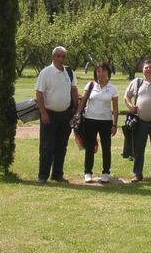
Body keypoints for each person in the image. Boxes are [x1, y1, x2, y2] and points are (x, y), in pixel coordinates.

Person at [35, 46, 78, 184]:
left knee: (61, 146)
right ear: (53, 57)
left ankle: (57, 175)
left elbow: (74, 90)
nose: (60, 59)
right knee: (47, 146)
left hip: (65, 116)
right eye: (58, 56)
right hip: (49, 115)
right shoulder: (45, 73)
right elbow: (39, 93)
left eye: (63, 56)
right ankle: (43, 176)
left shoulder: (69, 73)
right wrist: (43, 113)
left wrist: (75, 110)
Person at [75, 62, 119, 184]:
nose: (101, 73)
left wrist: (115, 125)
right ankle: (88, 172)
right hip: (90, 120)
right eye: (98, 71)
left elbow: (115, 109)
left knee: (106, 147)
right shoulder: (90, 85)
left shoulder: (113, 88)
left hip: (106, 121)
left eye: (103, 71)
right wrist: (77, 115)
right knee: (89, 147)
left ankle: (105, 172)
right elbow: (83, 101)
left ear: (108, 73)